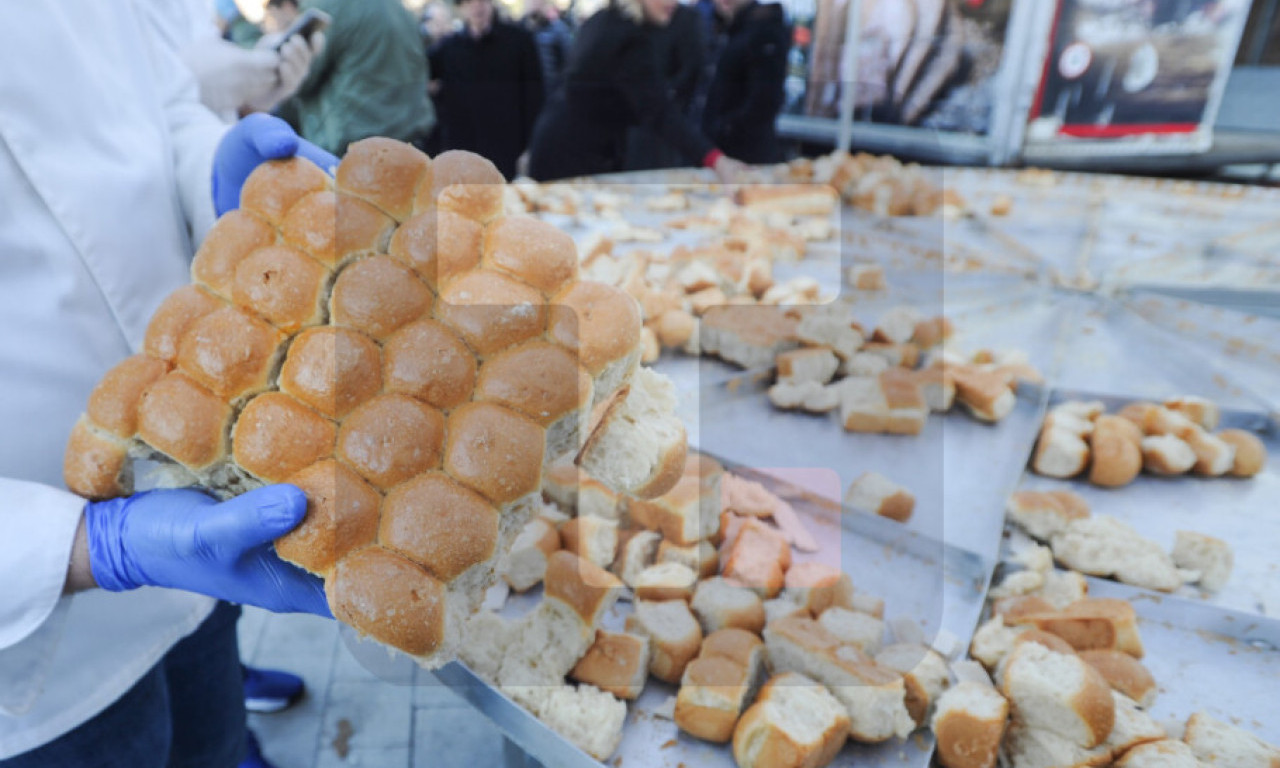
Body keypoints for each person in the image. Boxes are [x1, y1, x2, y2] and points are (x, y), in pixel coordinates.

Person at [0, 4, 338, 767]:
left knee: (215, 742)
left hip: (199, 526)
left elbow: (154, 103)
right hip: (32, 666)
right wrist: (86, 546)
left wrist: (222, 177)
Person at [526, 0, 745, 182]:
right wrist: (716, 160)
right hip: (572, 157)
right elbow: (658, 111)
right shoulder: (628, 37)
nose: (673, 3)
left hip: (557, 145)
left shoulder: (606, 20)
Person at [271, 0, 436, 157]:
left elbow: (297, 78)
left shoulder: (331, 6)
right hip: (408, 138)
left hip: (354, 145)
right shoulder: (399, 7)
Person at [430, 0, 545, 179]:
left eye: (482, 0)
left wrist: (532, 146)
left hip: (506, 148)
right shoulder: (449, 47)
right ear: (461, 7)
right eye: (470, 2)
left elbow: (535, 95)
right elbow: (421, 72)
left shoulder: (519, 40)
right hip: (464, 151)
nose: (477, 6)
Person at [701, 0, 789, 164]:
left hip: (744, 158)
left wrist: (722, 129)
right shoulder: (722, 26)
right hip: (719, 154)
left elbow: (765, 101)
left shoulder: (764, 28)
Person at [622, 1, 706, 170]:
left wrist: (665, 94)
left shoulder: (686, 19)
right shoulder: (625, 21)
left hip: (665, 122)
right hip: (631, 122)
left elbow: (692, 68)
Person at [523, 0, 574, 99]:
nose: (533, 3)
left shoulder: (559, 30)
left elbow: (568, 62)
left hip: (550, 95)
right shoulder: (518, 30)